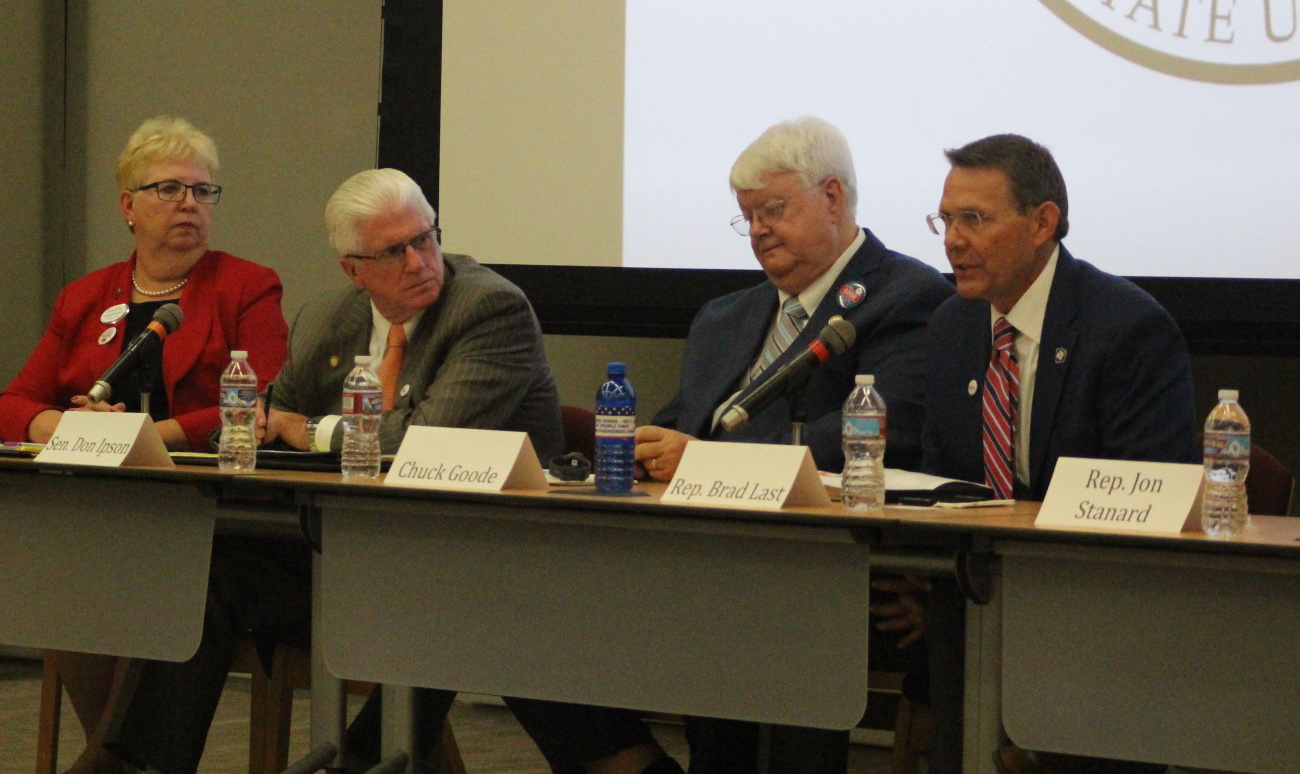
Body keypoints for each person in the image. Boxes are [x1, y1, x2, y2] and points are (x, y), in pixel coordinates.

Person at [104, 168, 681, 774]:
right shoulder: (329, 316)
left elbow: (420, 444)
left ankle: (363, 758)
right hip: (357, 553)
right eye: (394, 251)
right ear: (353, 269)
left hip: (488, 559)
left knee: (460, 610)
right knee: (212, 572)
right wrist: (272, 423)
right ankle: (135, 765)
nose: (419, 261)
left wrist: (308, 430)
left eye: (425, 239)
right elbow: (246, 421)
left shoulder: (488, 307)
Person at [636, 117, 953, 774]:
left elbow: (876, 432)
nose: (757, 230)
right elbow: (679, 425)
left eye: (772, 209)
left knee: (746, 624)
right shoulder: (724, 316)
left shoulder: (908, 297)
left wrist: (712, 462)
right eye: (746, 217)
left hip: (828, 562)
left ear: (833, 197)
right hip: (704, 555)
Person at [0, 115, 289, 774]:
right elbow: (14, 403)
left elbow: (262, 398)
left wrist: (149, 434)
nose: (189, 203)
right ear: (127, 205)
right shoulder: (84, 296)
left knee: (138, 567)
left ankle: (110, 762)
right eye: (168, 189)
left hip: (208, 508)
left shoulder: (246, 285)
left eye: (203, 191)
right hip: (100, 507)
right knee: (61, 566)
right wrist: (58, 427)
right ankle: (123, 757)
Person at [919, 133, 1197, 773]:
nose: (952, 241)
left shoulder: (1127, 329)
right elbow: (942, 483)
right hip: (975, 600)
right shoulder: (951, 327)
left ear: (1043, 223)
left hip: (1095, 611)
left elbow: (1149, 503)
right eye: (945, 220)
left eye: (974, 220)